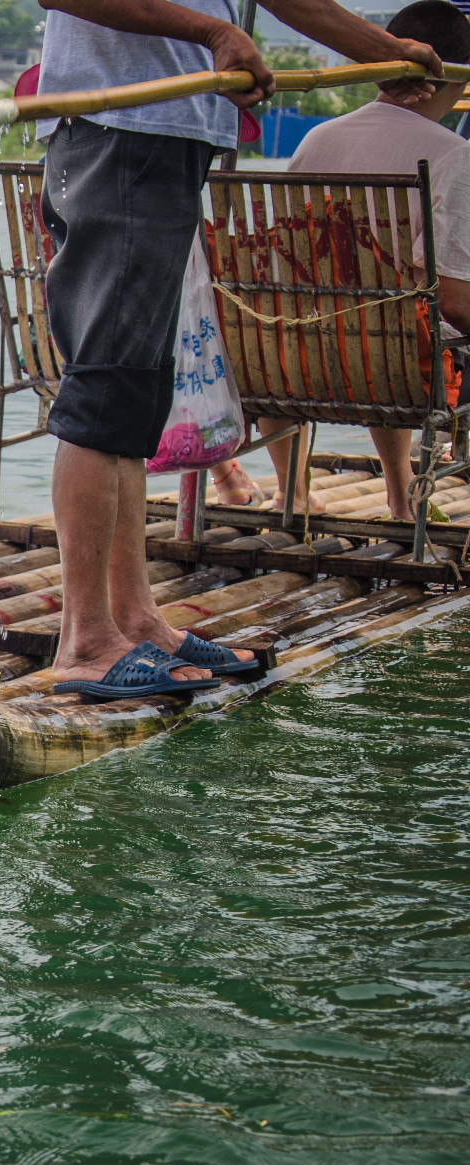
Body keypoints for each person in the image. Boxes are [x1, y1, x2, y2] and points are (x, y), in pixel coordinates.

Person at [34, 0, 440, 700]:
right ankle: (85, 641)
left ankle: (134, 619)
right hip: (121, 127)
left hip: (165, 134)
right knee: (107, 385)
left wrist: (383, 48)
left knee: (138, 391)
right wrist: (214, 33)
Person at [250, 1, 470, 521]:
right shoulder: (452, 154)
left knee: (373, 317)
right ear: (455, 78)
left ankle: (293, 490)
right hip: (396, 370)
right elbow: (455, 300)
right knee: (398, 323)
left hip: (287, 361)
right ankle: (401, 496)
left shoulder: (316, 138)